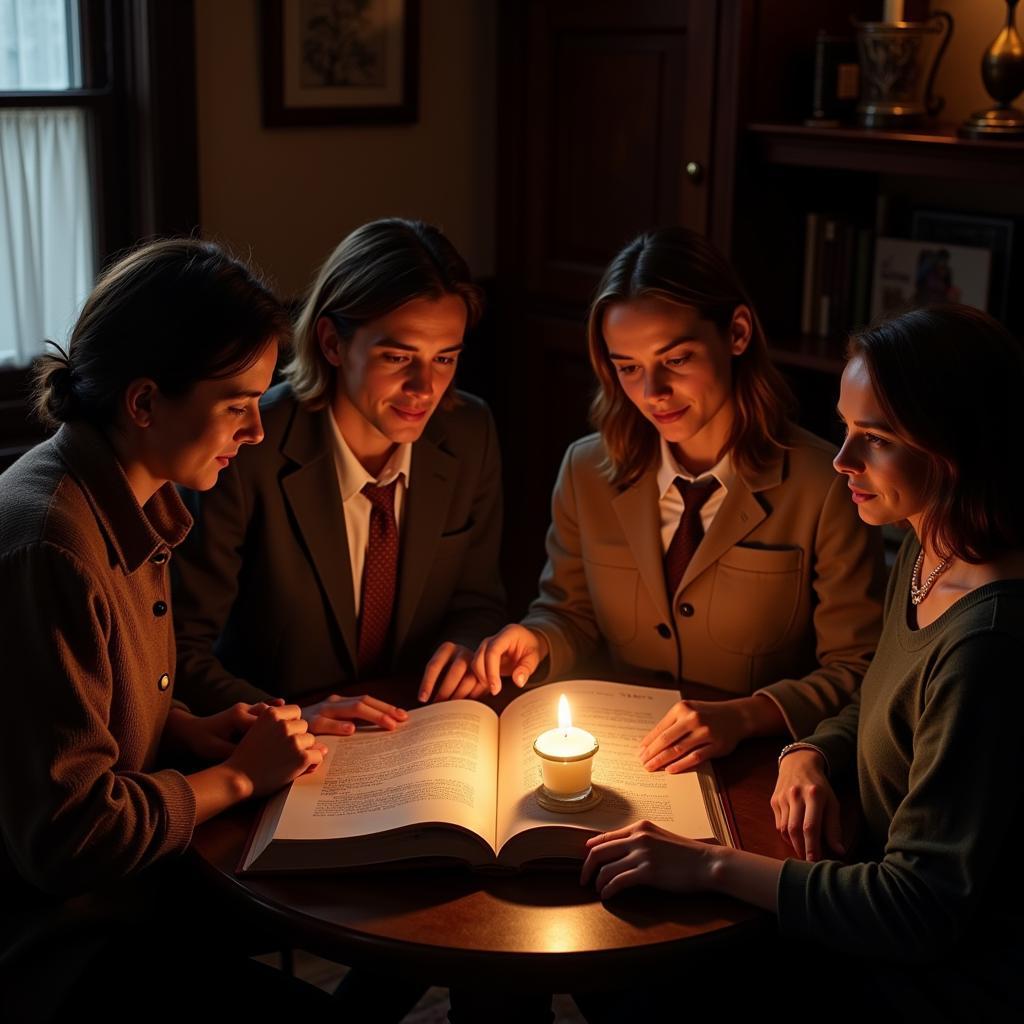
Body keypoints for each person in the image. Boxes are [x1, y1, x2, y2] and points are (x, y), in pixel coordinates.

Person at [579, 305, 1024, 1021]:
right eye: (846, 429)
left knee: (639, 972)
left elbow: (921, 908)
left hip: (943, 968)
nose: (844, 460)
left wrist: (713, 865)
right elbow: (881, 703)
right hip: (870, 889)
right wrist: (810, 750)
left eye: (873, 440)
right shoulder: (927, 544)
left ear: (955, 446)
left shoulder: (989, 645)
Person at [0, 239, 334, 1020]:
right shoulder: (56, 543)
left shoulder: (125, 495)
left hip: (131, 894)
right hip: (61, 943)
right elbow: (68, 838)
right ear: (144, 402)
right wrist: (241, 777)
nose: (256, 431)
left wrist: (186, 728)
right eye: (237, 404)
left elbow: (63, 718)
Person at [463, 226, 884, 767]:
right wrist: (538, 640)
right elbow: (569, 613)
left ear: (736, 333)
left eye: (676, 359)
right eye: (629, 368)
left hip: (762, 764)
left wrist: (745, 714)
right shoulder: (586, 470)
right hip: (626, 755)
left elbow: (858, 667)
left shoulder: (826, 484)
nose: (652, 392)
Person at [172, 218, 506, 736]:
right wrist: (290, 720)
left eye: (444, 358)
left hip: (420, 732)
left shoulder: (469, 432)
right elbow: (182, 651)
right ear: (331, 342)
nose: (424, 387)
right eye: (397, 356)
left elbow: (478, 599)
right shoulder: (246, 446)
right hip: (285, 742)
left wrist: (467, 646)